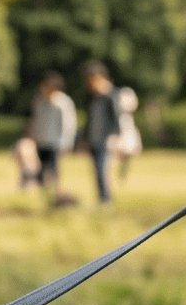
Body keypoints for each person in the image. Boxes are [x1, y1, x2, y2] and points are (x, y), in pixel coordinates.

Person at [26, 72, 74, 207]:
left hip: (56, 143)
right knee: (41, 171)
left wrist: (67, 143)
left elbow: (68, 124)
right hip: (41, 141)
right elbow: (35, 121)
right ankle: (46, 197)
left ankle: (56, 197)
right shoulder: (39, 101)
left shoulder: (63, 102)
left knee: (53, 170)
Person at [78, 62, 118, 206]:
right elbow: (88, 122)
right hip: (93, 141)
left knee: (102, 170)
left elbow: (116, 120)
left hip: (105, 140)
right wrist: (84, 139)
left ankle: (106, 199)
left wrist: (114, 137)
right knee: (96, 171)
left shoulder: (110, 97)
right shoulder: (91, 99)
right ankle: (102, 199)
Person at [112, 85, 143, 182]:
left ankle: (122, 174)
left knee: (127, 152)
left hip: (126, 128)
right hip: (120, 127)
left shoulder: (128, 118)